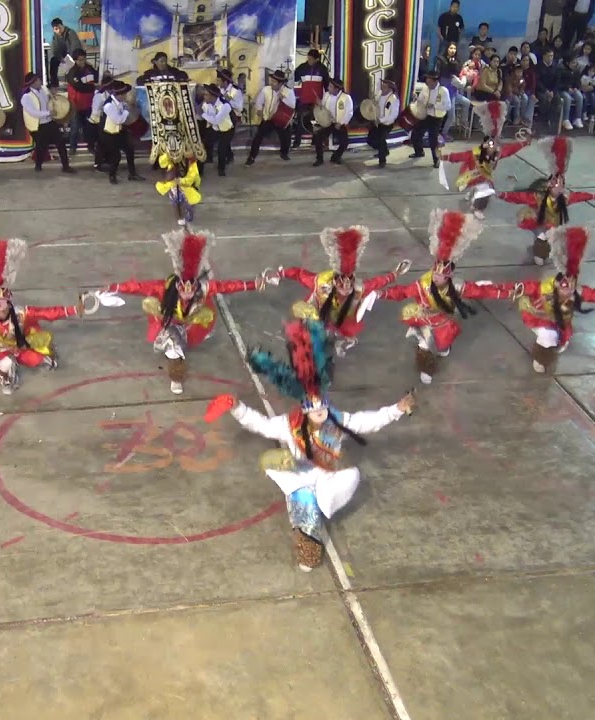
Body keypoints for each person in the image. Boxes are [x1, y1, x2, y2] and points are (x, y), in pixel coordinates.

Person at [203, 319, 414, 572]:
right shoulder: (288, 425)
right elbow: (261, 425)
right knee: (307, 515)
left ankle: (322, 507)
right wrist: (237, 407)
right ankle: (308, 548)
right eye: (315, 410)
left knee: (351, 476)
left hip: (329, 474)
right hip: (299, 475)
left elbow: (368, 421)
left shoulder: (338, 421)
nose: (321, 413)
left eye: (323, 408)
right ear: (304, 409)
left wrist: (397, 409)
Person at [98, 229, 271, 394]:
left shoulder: (204, 289)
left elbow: (227, 286)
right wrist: (115, 287)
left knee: (190, 335)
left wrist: (252, 284)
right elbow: (138, 287)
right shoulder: (164, 288)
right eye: (183, 287)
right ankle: (176, 375)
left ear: (196, 285)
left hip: (192, 321)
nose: (187, 291)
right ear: (178, 285)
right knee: (173, 348)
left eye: (191, 287)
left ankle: (184, 340)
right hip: (169, 321)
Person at [0, 238, 110, 393]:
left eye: (3, 305)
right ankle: (4, 371)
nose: (0, 310)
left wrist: (73, 310)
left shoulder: (22, 314)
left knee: (45, 360)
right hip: (2, 346)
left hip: (23, 342)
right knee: (4, 361)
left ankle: (27, 359)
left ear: (9, 303)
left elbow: (48, 313)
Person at [489, 226, 595, 373]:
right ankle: (541, 359)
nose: (567, 290)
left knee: (560, 338)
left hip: (559, 319)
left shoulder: (576, 292)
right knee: (548, 338)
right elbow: (515, 288)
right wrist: (490, 289)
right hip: (536, 316)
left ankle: (555, 343)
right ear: (556, 284)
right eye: (563, 286)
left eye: (571, 286)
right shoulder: (540, 288)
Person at [378, 209, 499, 384]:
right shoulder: (423, 284)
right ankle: (426, 368)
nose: (436, 277)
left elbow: (481, 292)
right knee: (424, 345)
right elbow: (403, 292)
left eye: (440, 276)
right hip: (424, 319)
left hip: (442, 321)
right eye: (435, 273)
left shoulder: (456, 286)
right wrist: (382, 293)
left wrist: (504, 290)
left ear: (448, 277)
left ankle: (443, 347)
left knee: (442, 346)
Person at [277, 226, 411, 357]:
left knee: (347, 333)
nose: (347, 285)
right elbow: (299, 274)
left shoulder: (359, 288)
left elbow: (379, 281)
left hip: (341, 318)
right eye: (342, 280)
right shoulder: (321, 283)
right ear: (335, 281)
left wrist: (396, 273)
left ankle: (337, 339)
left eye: (350, 280)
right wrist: (280, 273)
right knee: (308, 322)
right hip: (318, 313)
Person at [496, 136, 595, 265]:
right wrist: (503, 195)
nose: (557, 187)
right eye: (555, 184)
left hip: (554, 225)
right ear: (549, 185)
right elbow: (519, 197)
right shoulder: (539, 197)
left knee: (554, 240)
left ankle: (546, 248)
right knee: (541, 236)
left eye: (560, 185)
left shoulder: (565, 199)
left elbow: (581, 196)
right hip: (537, 223)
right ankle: (539, 252)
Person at [441, 133, 532, 218]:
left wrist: (525, 143)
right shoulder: (474, 153)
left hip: (483, 177)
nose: (492, 148)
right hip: (468, 176)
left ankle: (478, 207)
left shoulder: (497, 153)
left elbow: (510, 149)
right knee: (479, 186)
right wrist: (443, 157)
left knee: (488, 189)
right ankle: (473, 195)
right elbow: (457, 156)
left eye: (494, 145)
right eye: (490, 145)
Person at [20, 72, 75, 173]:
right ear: (32, 83)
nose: (40, 81)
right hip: (39, 125)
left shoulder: (44, 89)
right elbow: (33, 112)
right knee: (41, 146)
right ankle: (38, 164)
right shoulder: (26, 97)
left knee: (60, 143)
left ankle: (66, 166)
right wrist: (49, 113)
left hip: (50, 122)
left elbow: (51, 101)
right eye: (37, 80)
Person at [245, 70, 296, 165]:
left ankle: (284, 153)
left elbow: (293, 105)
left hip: (281, 119)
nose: (271, 83)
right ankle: (251, 157)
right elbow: (259, 102)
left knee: (285, 138)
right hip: (269, 118)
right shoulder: (266, 90)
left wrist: (283, 98)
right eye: (271, 80)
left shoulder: (288, 92)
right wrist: (259, 110)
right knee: (258, 137)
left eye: (274, 82)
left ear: (280, 83)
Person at [99, 81, 144, 184]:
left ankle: (132, 174)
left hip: (119, 131)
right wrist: (127, 111)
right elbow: (118, 120)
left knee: (130, 150)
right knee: (116, 156)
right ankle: (112, 175)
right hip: (108, 134)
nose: (126, 96)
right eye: (124, 94)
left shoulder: (121, 102)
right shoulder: (109, 105)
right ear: (118, 95)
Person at [409, 71, 450, 166]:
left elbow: (448, 106)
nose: (427, 82)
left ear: (435, 81)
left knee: (433, 139)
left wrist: (435, 106)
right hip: (426, 115)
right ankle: (419, 151)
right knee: (416, 132)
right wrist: (416, 98)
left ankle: (436, 159)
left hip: (437, 117)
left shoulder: (443, 91)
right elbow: (421, 100)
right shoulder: (425, 89)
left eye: (429, 80)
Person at [292, 49, 330, 148]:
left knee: (316, 122)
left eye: (311, 59)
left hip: (316, 101)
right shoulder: (302, 67)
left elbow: (327, 86)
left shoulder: (322, 69)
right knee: (300, 121)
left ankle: (315, 142)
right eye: (308, 58)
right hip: (304, 99)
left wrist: (325, 101)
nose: (309, 60)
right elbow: (294, 78)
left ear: (317, 59)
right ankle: (297, 143)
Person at [65, 49, 98, 159]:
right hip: (75, 105)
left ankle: (91, 147)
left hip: (88, 104)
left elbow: (97, 76)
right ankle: (73, 148)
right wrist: (93, 87)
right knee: (74, 128)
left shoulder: (89, 69)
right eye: (80, 60)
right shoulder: (72, 72)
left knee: (89, 128)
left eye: (84, 59)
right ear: (75, 60)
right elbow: (78, 87)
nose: (83, 61)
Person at [313, 78, 353, 166]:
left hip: (339, 123)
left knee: (344, 142)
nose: (328, 88)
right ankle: (319, 159)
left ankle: (336, 157)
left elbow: (349, 113)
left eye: (330, 86)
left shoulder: (346, 98)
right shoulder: (326, 95)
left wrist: (341, 123)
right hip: (328, 122)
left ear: (337, 89)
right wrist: (320, 105)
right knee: (318, 137)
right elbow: (323, 109)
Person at [156, 151, 202, 225]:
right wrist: (168, 153)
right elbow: (162, 163)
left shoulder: (191, 162)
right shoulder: (172, 158)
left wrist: (180, 181)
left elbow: (191, 178)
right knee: (176, 198)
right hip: (174, 184)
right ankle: (179, 216)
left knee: (189, 205)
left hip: (188, 186)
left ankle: (188, 213)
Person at [365, 77, 401, 168]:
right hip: (378, 122)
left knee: (381, 140)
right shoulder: (380, 94)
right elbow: (376, 104)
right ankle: (384, 151)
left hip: (387, 124)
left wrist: (381, 120)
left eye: (384, 87)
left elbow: (393, 115)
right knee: (370, 140)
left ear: (389, 89)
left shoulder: (393, 99)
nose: (382, 88)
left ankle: (382, 160)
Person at [48, 18, 83, 87]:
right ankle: (54, 83)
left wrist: (70, 58)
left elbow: (75, 46)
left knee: (72, 65)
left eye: (59, 28)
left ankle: (73, 83)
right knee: (53, 61)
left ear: (62, 25)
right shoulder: (55, 36)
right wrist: (60, 58)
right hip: (62, 56)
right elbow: (55, 49)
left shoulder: (71, 33)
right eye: (56, 29)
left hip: (72, 56)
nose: (58, 31)